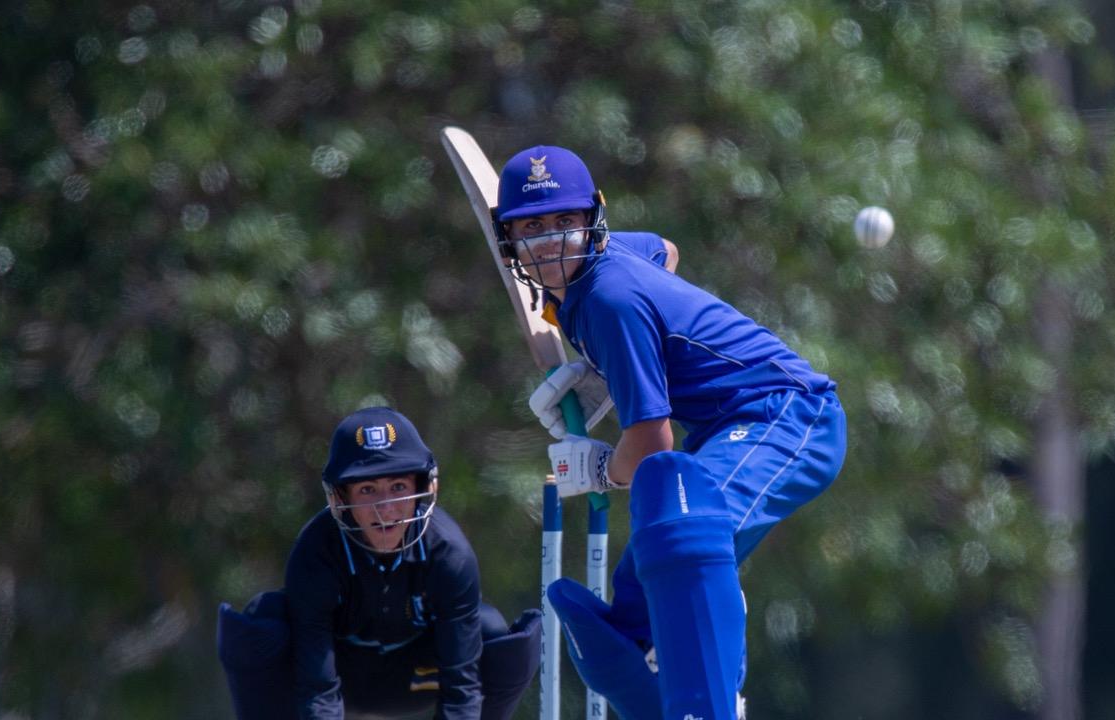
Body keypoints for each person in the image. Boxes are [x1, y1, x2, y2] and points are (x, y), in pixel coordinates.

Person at [493, 146, 847, 720]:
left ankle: (717, 704)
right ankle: (651, 663)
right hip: (727, 429)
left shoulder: (608, 300)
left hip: (788, 417)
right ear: (507, 238)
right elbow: (666, 249)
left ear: (593, 219)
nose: (552, 240)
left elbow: (653, 454)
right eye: (533, 226)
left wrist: (600, 467)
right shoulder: (605, 271)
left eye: (566, 221)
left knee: (686, 532)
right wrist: (620, 367)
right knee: (646, 581)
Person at [216, 406, 541, 720]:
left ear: (421, 489)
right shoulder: (316, 553)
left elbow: (462, 689)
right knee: (262, 619)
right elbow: (318, 688)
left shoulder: (449, 554)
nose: (385, 508)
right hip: (342, 676)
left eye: (398, 487)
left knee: (496, 634)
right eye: (367, 489)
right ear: (340, 497)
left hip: (419, 676)